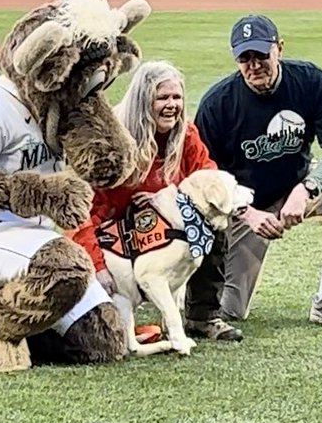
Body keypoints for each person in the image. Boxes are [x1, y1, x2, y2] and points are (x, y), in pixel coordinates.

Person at [189, 15, 322, 333]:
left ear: (279, 49)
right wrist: (247, 213)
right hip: (245, 206)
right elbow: (205, 178)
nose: (254, 65)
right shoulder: (218, 104)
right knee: (231, 308)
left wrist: (307, 188)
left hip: (295, 186)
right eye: (245, 58)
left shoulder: (310, 82)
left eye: (261, 55)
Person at [72, 61, 242, 341]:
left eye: (177, 97)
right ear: (143, 100)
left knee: (213, 220)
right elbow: (80, 213)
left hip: (155, 233)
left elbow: (209, 176)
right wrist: (98, 266)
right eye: (162, 97)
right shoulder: (111, 144)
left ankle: (203, 315)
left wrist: (167, 198)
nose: (172, 105)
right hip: (114, 238)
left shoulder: (185, 135)